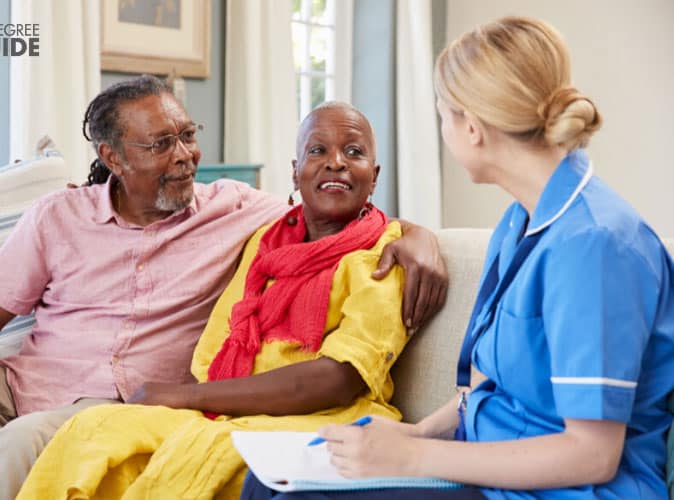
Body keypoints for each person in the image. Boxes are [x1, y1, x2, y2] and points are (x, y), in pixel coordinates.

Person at [0, 76, 447, 499]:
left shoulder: (236, 209)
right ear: (112, 158)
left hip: (115, 407)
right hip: (20, 389)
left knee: (18, 443)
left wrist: (419, 235)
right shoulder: (57, 216)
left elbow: (336, 204)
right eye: (161, 144)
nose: (184, 155)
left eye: (188, 136)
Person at [241, 16, 674, 500]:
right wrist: (413, 434)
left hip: (561, 492)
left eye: (443, 113)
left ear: (472, 127)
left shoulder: (595, 246)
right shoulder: (519, 222)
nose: (443, 127)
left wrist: (413, 457)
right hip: (486, 471)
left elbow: (591, 455)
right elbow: (486, 387)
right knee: (268, 480)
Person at [15, 101, 413, 499]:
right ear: (294, 171)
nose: (336, 163)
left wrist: (183, 397)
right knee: (92, 430)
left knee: (196, 456)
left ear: (374, 177)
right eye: (317, 151)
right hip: (230, 409)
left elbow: (339, 380)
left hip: (325, 419)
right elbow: (215, 348)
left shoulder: (385, 255)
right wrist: (193, 402)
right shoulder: (268, 240)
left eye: (354, 152)